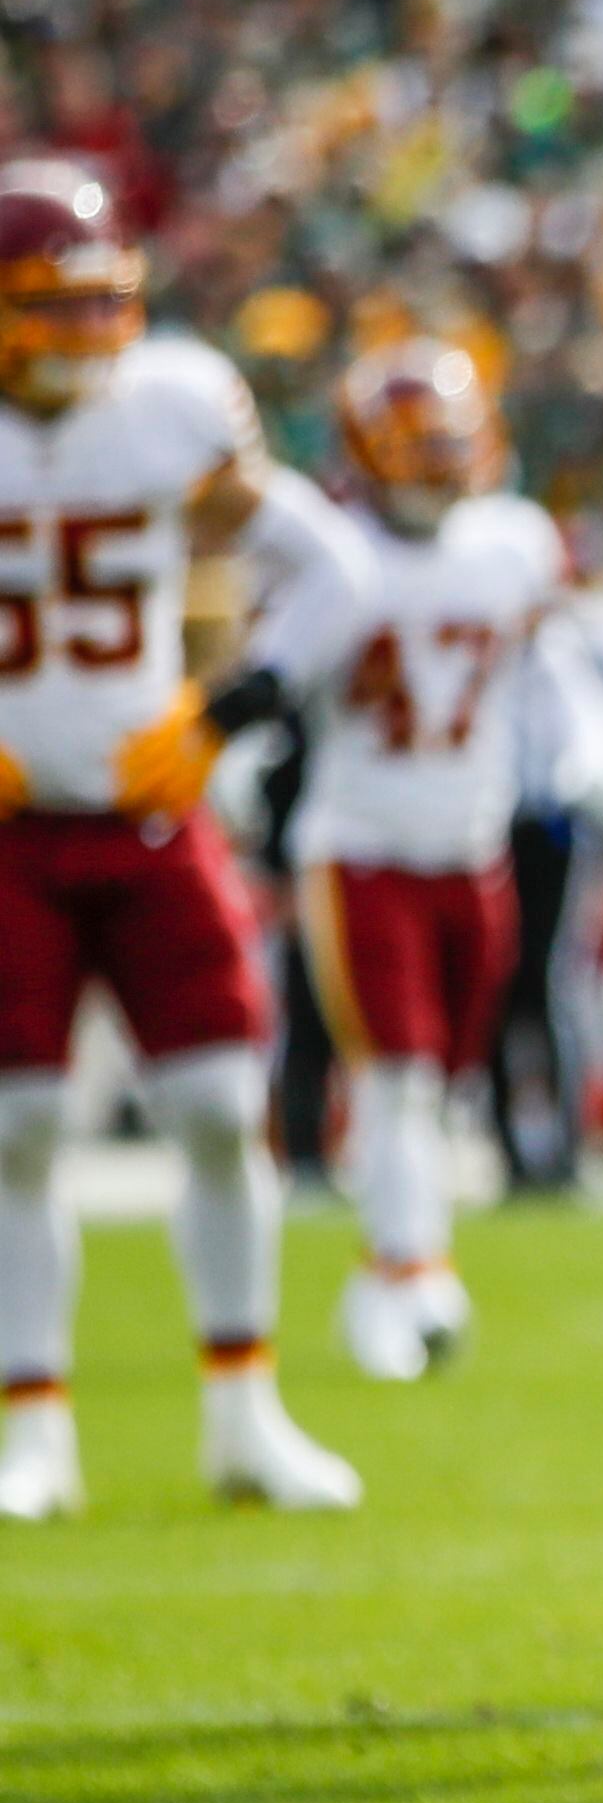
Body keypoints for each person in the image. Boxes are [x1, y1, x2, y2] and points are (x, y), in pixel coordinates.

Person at [0, 153, 374, 1522]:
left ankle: (244, 1409)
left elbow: (333, 569)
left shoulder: (163, 412)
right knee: (18, 1126)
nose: (81, 335)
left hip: (158, 818)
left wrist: (230, 711)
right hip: (11, 838)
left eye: (101, 304)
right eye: (46, 305)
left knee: (224, 1108)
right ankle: (32, 1424)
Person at [280, 339, 603, 1378]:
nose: (433, 469)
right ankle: (412, 1272)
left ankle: (391, 1269)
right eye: (411, 449)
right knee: (398, 1074)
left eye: (446, 447)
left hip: (473, 843)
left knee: (445, 1076)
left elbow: (543, 663)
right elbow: (270, 672)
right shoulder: (335, 552)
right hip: (362, 842)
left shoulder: (513, 542)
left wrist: (588, 744)